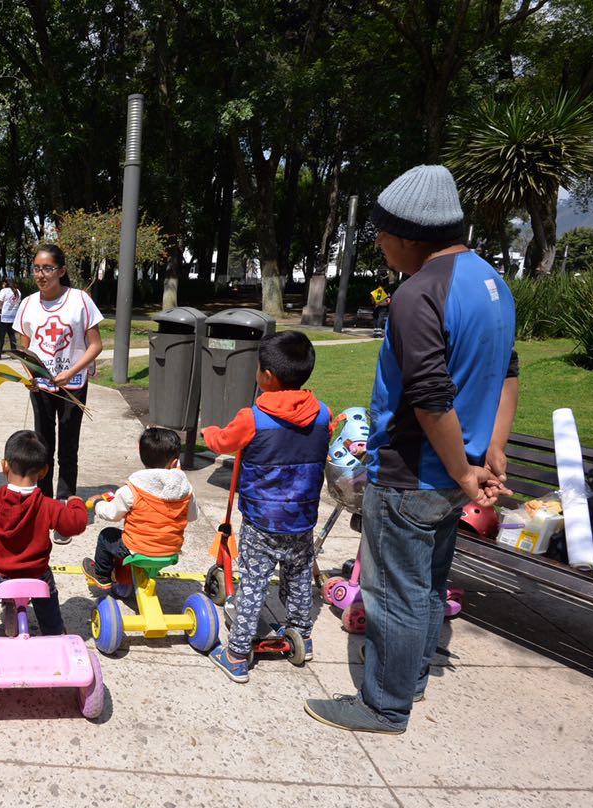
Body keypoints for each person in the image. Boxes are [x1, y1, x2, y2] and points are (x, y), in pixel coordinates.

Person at [305, 164, 518, 733]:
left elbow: (428, 396)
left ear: (407, 235)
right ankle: (414, 677)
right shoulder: (491, 283)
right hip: (458, 473)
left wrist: (462, 468)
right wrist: (490, 451)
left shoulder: (417, 294)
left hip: (415, 473)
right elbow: (508, 372)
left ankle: (384, 703)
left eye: (380, 233)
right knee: (426, 583)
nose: (378, 243)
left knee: (391, 591)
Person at [200, 331, 331, 684]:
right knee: (300, 577)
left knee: (254, 583)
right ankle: (302, 634)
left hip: (262, 520)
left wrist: (208, 432)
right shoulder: (323, 414)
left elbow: (224, 442)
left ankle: (238, 654)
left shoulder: (252, 417)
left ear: (267, 377)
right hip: (302, 517)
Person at [0, 429, 88, 636]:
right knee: (48, 599)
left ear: (4, 465)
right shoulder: (49, 506)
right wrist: (76, 503)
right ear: (44, 471)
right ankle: (54, 633)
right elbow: (76, 524)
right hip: (36, 575)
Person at [12, 243, 103, 543]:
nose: (41, 274)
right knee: (42, 446)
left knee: (68, 447)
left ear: (62, 271)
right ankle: (44, 503)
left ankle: (64, 507)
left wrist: (72, 370)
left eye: (48, 268)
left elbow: (95, 345)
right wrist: (30, 375)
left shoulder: (80, 300)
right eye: (37, 268)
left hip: (72, 386)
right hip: (41, 387)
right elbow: (25, 348)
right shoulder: (27, 304)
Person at [82, 427, 199, 590]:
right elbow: (192, 516)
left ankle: (101, 575)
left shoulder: (132, 488)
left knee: (106, 535)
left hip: (137, 549)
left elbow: (112, 514)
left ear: (141, 455)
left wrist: (97, 504)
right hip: (170, 551)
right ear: (175, 462)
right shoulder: (185, 490)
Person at [0, 277, 22, 358]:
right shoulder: (18, 291)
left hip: (4, 317)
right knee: (12, 336)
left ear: (5, 283)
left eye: (3, 283)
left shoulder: (4, 291)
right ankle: (14, 354)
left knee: (1, 336)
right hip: (13, 316)